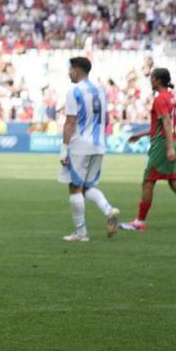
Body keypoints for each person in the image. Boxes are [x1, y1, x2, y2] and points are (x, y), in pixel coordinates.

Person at [120, 68, 176, 232]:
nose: (150, 81)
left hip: (163, 145)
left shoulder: (160, 99)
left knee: (148, 181)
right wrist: (141, 135)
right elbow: (162, 125)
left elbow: (166, 124)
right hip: (174, 141)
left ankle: (139, 222)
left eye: (152, 78)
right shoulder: (171, 98)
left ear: (158, 80)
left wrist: (169, 148)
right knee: (175, 182)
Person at [58, 56, 119, 242]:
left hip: (79, 145)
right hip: (99, 144)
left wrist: (63, 148)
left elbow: (70, 121)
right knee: (86, 186)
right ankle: (109, 210)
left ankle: (81, 233)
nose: (69, 73)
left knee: (74, 187)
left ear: (76, 70)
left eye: (70, 70)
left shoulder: (74, 91)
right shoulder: (100, 90)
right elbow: (107, 119)